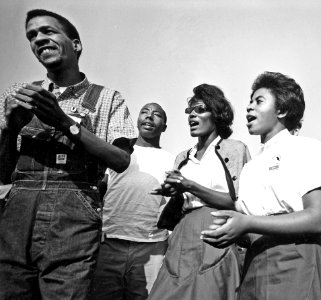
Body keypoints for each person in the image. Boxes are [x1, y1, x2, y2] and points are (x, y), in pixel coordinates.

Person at [0, 9, 136, 300]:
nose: (38, 39)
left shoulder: (108, 98)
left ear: (75, 44)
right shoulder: (16, 95)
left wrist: (63, 122)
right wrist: (10, 130)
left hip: (73, 220)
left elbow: (120, 160)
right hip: (16, 217)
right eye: (32, 36)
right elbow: (1, 172)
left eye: (48, 31)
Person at [201, 72, 321, 300]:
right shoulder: (251, 167)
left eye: (259, 101)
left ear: (282, 110)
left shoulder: (305, 148)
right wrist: (230, 232)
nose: (248, 108)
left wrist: (248, 222)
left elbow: (317, 218)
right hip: (254, 262)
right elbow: (249, 225)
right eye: (249, 102)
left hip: (296, 259)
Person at [148, 84, 251, 300]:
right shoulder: (182, 158)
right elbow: (179, 199)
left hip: (217, 233)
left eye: (200, 109)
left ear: (216, 114)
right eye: (190, 111)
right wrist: (173, 192)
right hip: (182, 235)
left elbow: (239, 203)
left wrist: (190, 186)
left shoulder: (234, 149)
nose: (192, 115)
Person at [90, 102, 174, 300]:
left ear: (164, 126)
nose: (149, 117)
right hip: (110, 243)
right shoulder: (119, 152)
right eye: (144, 112)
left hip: (152, 246)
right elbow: (100, 188)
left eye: (156, 115)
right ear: (137, 120)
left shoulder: (172, 159)